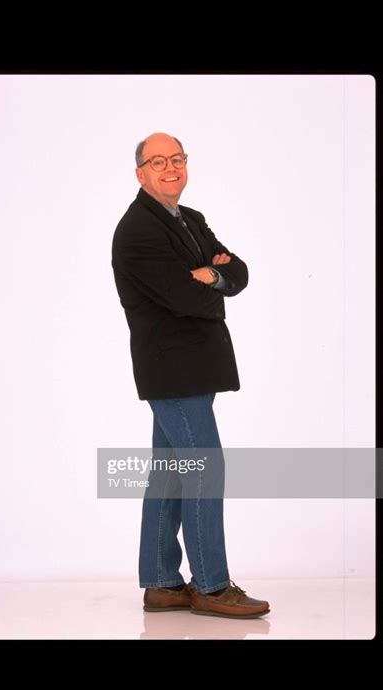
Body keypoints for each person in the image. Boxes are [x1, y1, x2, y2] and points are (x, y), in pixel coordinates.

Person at [111, 132, 270, 619]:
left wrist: (212, 274)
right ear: (140, 173)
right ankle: (212, 585)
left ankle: (161, 582)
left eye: (177, 158)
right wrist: (202, 277)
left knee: (171, 473)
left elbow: (237, 272)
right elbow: (184, 298)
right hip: (172, 371)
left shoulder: (192, 219)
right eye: (157, 162)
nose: (170, 168)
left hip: (194, 368)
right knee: (204, 468)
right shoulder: (138, 229)